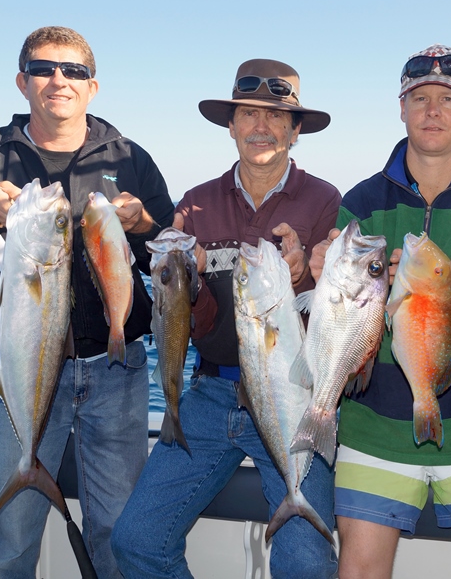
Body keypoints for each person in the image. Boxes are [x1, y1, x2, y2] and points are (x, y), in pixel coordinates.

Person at [0, 26, 175, 578]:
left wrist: (145, 226)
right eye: (43, 68)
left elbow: (176, 264)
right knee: (13, 534)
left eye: (74, 71)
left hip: (118, 368)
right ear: (22, 81)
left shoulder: (130, 158)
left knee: (117, 529)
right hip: (19, 366)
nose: (58, 80)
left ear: (93, 87)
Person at [111, 59, 341, 578]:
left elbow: (342, 317)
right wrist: (183, 283)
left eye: (276, 116)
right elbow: (193, 322)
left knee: (305, 563)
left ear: (295, 130)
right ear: (231, 126)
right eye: (248, 115)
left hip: (295, 396)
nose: (261, 127)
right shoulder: (196, 204)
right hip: (210, 396)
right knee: (136, 541)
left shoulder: (326, 201)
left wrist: (304, 275)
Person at [310, 44, 451, 579]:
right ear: (402, 108)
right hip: (374, 427)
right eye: (420, 99)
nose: (433, 111)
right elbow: (343, 323)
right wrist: (325, 279)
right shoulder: (362, 202)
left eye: (448, 99)